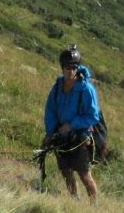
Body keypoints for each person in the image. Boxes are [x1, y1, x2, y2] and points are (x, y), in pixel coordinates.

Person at [43, 44, 101, 204]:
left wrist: (72, 124)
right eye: (67, 67)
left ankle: (94, 205)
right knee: (66, 171)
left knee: (84, 174)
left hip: (79, 138)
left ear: (78, 67)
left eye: (74, 67)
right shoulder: (57, 87)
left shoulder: (86, 89)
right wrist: (50, 132)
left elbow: (93, 116)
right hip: (61, 136)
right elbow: (51, 110)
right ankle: (74, 200)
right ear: (62, 67)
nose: (71, 71)